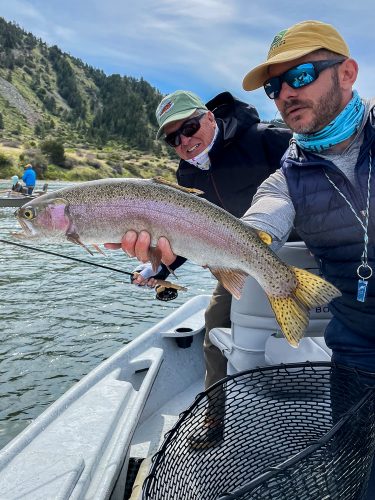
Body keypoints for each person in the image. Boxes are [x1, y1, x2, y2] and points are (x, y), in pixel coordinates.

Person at [105, 89, 291, 446]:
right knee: (213, 334)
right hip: (231, 264)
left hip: (303, 251)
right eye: (173, 139)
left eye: (189, 128)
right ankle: (215, 419)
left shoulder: (271, 140)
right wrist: (156, 271)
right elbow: (189, 238)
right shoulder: (185, 175)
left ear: (208, 116)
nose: (184, 141)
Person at [241, 20, 375, 497]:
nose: (284, 95)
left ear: (347, 73)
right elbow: (257, 227)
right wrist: (180, 239)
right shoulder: (285, 180)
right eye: (275, 87)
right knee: (356, 464)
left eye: (300, 76)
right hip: (356, 344)